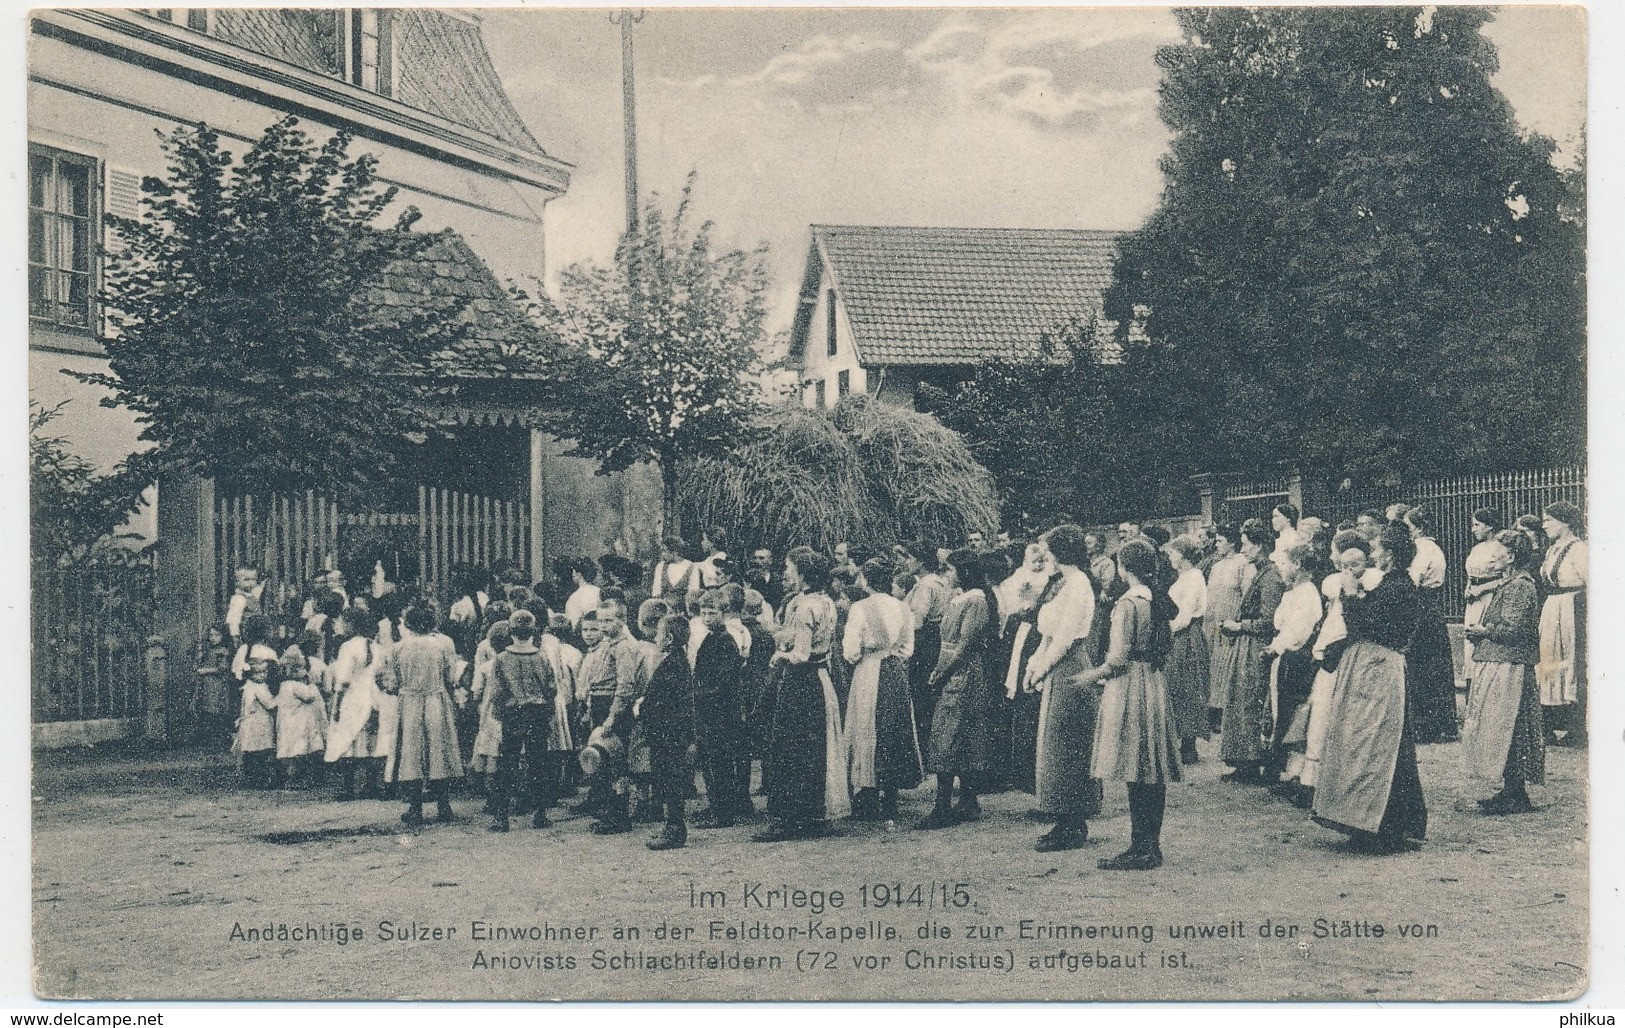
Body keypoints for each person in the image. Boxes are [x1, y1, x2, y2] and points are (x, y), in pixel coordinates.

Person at [1312, 523, 1429, 854]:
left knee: (1378, 745)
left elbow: (1367, 624)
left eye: (1378, 551)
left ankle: (1385, 827)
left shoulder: (1399, 587)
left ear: (1389, 555)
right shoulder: (1392, 585)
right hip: (1370, 669)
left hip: (1379, 670)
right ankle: (1370, 822)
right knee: (1369, 743)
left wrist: (1351, 593)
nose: (1373, 555)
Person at [1084, 540, 1180, 870]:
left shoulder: (1127, 604)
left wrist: (1091, 675)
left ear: (1124, 568)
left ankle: (1141, 848)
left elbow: (1118, 657)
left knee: (1135, 767)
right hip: (1152, 682)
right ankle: (1150, 845)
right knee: (1150, 767)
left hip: (1129, 685)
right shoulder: (1156, 599)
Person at [756, 547, 850, 841]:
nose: (786, 572)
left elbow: (800, 654)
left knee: (791, 748)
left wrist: (779, 657)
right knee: (815, 749)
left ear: (803, 573)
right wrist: (778, 635)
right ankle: (812, 814)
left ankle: (786, 819)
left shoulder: (806, 605)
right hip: (821, 681)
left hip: (801, 682)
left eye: (790, 567)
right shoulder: (826, 602)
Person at [1025, 525, 1102, 852]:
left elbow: (1067, 636)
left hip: (1070, 669)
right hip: (1057, 667)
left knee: (1068, 745)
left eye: (1048, 549)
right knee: (1054, 744)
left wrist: (1042, 667)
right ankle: (1061, 815)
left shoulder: (1079, 584)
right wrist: (1034, 662)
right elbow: (1048, 635)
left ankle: (1073, 822)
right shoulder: (1062, 583)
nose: (1045, 555)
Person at [1462, 530, 1544, 814]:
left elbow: (1513, 629)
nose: (1492, 558)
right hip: (1500, 662)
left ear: (1510, 557)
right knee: (1504, 726)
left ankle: (1515, 792)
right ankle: (1511, 790)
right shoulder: (1510, 583)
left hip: (1509, 666)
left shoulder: (1520, 586)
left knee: (1510, 726)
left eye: (1497, 553)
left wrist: (1483, 630)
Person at [1292, 531, 1370, 809]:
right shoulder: (1358, 582)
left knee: (1323, 716)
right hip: (1339, 650)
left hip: (1335, 652)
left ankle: (1314, 781)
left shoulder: (1338, 582)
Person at [841, 557, 922, 822]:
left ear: (865, 580)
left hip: (869, 669)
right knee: (893, 727)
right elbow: (908, 648)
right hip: (894, 671)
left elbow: (851, 652)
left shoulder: (860, 608)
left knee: (866, 725)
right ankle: (890, 794)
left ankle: (867, 791)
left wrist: (864, 650)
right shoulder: (902, 607)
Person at [918, 550, 995, 829]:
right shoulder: (960, 598)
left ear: (962, 571)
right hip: (953, 668)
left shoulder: (976, 600)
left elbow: (965, 645)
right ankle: (967, 801)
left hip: (963, 673)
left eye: (948, 569)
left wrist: (943, 672)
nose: (945, 575)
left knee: (951, 734)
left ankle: (943, 806)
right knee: (957, 733)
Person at [385, 604, 465, 827]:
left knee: (411, 751)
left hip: (409, 700)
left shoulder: (397, 648)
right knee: (438, 749)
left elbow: (391, 683)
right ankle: (444, 805)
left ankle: (415, 808)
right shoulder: (440, 646)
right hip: (435, 699)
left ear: (408, 623)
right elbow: (450, 677)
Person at [1217, 519, 1283, 784]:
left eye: (1246, 545)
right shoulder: (1260, 573)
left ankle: (1254, 762)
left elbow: (1270, 621)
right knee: (1240, 703)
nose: (1243, 551)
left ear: (1259, 546)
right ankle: (1243, 762)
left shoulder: (1271, 577)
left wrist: (1239, 625)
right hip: (1246, 645)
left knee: (1251, 703)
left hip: (1256, 647)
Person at [487, 610, 556, 832]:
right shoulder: (542, 656)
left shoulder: (501, 659)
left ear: (511, 632)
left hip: (513, 714)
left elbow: (496, 693)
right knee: (538, 763)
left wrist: (498, 716)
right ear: (534, 632)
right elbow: (551, 688)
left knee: (507, 764)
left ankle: (501, 817)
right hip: (537, 713)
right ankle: (540, 814)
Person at [1262, 543, 1323, 791]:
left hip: (1295, 657)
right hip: (1284, 653)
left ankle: (1291, 772)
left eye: (1285, 564)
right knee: (1280, 711)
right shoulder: (1293, 592)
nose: (1281, 569)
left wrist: (1276, 647)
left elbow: (1298, 631)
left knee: (1292, 714)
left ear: (1297, 566)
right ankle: (1284, 769)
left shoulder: (1307, 593)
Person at [639, 614, 697, 850]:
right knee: (666, 778)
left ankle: (675, 828)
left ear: (670, 638)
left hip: (670, 734)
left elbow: (661, 702)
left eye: (660, 634)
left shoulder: (672, 665)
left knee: (672, 780)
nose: (655, 637)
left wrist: (641, 708)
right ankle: (670, 824)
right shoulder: (676, 661)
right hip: (667, 733)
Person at [691, 590, 748, 828]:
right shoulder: (710, 638)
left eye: (712, 612)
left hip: (721, 711)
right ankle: (716, 805)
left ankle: (723, 812)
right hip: (709, 709)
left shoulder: (725, 641)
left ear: (724, 613)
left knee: (719, 760)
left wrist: (696, 694)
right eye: (703, 613)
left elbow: (724, 683)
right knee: (709, 759)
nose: (707, 617)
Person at [1402, 507, 1458, 744]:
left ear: (1418, 527)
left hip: (1422, 607)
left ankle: (1426, 724)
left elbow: (1413, 579)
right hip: (1429, 606)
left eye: (1407, 526)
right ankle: (1436, 722)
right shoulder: (1431, 547)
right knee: (1431, 665)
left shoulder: (1423, 549)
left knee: (1422, 665)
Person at [1537, 501, 1587, 746]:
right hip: (1553, 608)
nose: (1544, 525)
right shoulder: (1553, 549)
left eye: (1549, 520)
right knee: (1549, 662)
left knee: (1571, 662)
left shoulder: (1579, 549)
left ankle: (1577, 729)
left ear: (1565, 523)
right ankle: (1550, 723)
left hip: (1572, 609)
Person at [324, 609, 385, 800]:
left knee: (347, 737)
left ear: (350, 624)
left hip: (352, 696)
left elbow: (344, 678)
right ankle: (371, 784)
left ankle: (348, 787)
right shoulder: (375, 646)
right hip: (371, 694)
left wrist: (337, 701)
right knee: (367, 739)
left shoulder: (348, 647)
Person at [1162, 535, 1211, 764]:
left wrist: (1162, 630)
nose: (1170, 557)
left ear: (1183, 556)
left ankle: (1188, 745)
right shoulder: (1183, 577)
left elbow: (1184, 616)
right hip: (1178, 637)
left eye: (1173, 553)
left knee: (1187, 687)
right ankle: (1180, 742)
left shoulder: (1194, 577)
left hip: (1186, 637)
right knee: (1176, 687)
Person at [1203, 523, 1252, 732]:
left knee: (1227, 667)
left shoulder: (1243, 564)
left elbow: (1247, 595)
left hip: (1230, 624)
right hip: (1212, 623)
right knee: (1213, 667)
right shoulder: (1215, 566)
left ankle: (1225, 714)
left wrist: (1236, 621)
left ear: (1232, 543)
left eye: (1221, 540)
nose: (1217, 544)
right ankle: (1213, 713)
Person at [904, 542, 952, 746]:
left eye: (910, 558)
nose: (907, 562)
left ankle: (925, 747)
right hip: (935, 639)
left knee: (921, 694)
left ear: (921, 562)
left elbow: (917, 621)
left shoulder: (925, 586)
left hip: (924, 642)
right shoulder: (939, 582)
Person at [467, 619, 512, 804]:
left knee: (488, 747)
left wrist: (477, 701)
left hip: (489, 712)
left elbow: (476, 691)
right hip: (508, 711)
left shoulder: (485, 667)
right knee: (502, 750)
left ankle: (488, 792)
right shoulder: (513, 663)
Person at [1461, 508, 1505, 698]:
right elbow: (1472, 572)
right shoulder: (1477, 548)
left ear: (1490, 526)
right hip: (1473, 601)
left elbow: (1504, 577)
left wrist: (1483, 589)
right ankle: (1472, 691)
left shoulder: (1500, 548)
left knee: (1484, 639)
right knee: (1470, 641)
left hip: (1489, 599)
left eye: (1477, 525)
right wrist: (1469, 586)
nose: (1473, 529)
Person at [274, 646, 326, 787]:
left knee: (288, 751)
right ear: (294, 670)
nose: (305, 672)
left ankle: (289, 779)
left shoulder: (284, 685)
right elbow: (309, 696)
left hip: (286, 722)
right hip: (295, 725)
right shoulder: (295, 686)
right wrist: (313, 684)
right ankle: (294, 780)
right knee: (297, 752)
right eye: (302, 669)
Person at [234, 652, 278, 789]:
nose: (263, 675)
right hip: (258, 724)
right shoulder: (258, 688)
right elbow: (270, 703)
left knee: (252, 752)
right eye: (258, 673)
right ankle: (260, 779)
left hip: (251, 723)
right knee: (260, 752)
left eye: (264, 672)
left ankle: (252, 778)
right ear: (251, 674)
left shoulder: (248, 686)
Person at [194, 623, 235, 749]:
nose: (213, 638)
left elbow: (222, 669)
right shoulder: (209, 650)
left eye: (217, 635)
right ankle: (209, 742)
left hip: (217, 686)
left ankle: (220, 742)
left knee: (217, 712)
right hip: (208, 686)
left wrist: (205, 670)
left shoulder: (223, 652)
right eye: (211, 635)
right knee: (207, 713)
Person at [1085, 530, 1117, 667]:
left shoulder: (1106, 563)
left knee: (1096, 637)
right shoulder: (1085, 562)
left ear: (1098, 546)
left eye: (1089, 543)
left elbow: (1107, 585)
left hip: (1098, 605)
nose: (1085, 545)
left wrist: (1102, 591)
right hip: (1086, 603)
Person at [563, 558, 602, 632]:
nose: (572, 575)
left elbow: (574, 625)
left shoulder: (575, 597)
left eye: (573, 573)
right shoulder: (599, 591)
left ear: (578, 575)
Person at [745, 548, 783, 613]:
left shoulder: (780, 580)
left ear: (770, 561)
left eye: (761, 558)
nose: (757, 561)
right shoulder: (747, 579)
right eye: (755, 558)